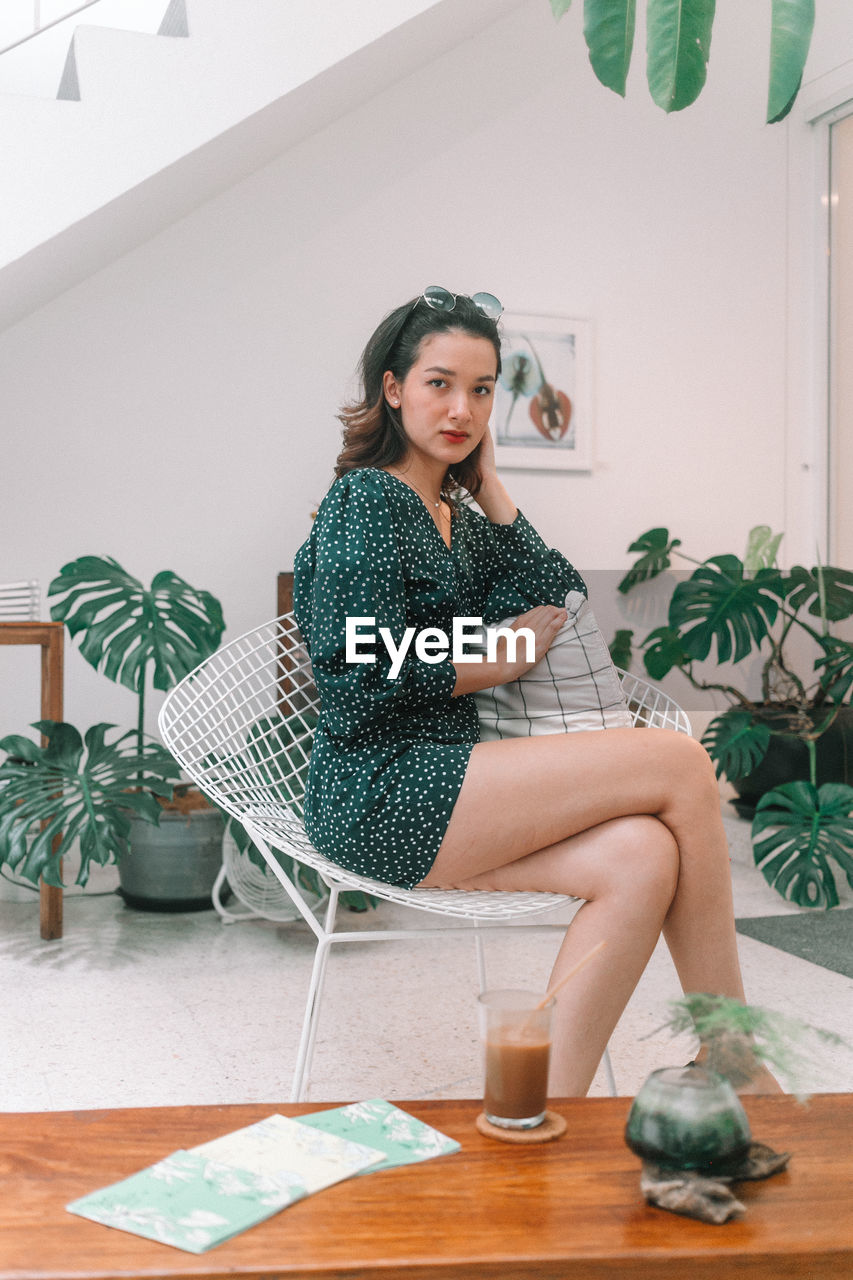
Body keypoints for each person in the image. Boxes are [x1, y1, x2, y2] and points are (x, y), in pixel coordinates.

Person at [293, 286, 779, 1096]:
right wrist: (494, 660)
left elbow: (555, 591)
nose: (462, 409)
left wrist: (488, 488)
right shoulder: (368, 501)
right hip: (379, 789)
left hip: (446, 780)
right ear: (392, 387)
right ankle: (731, 1054)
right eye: (439, 383)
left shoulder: (449, 510)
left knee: (641, 855)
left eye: (481, 391)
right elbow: (353, 678)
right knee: (680, 764)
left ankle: (542, 1108)